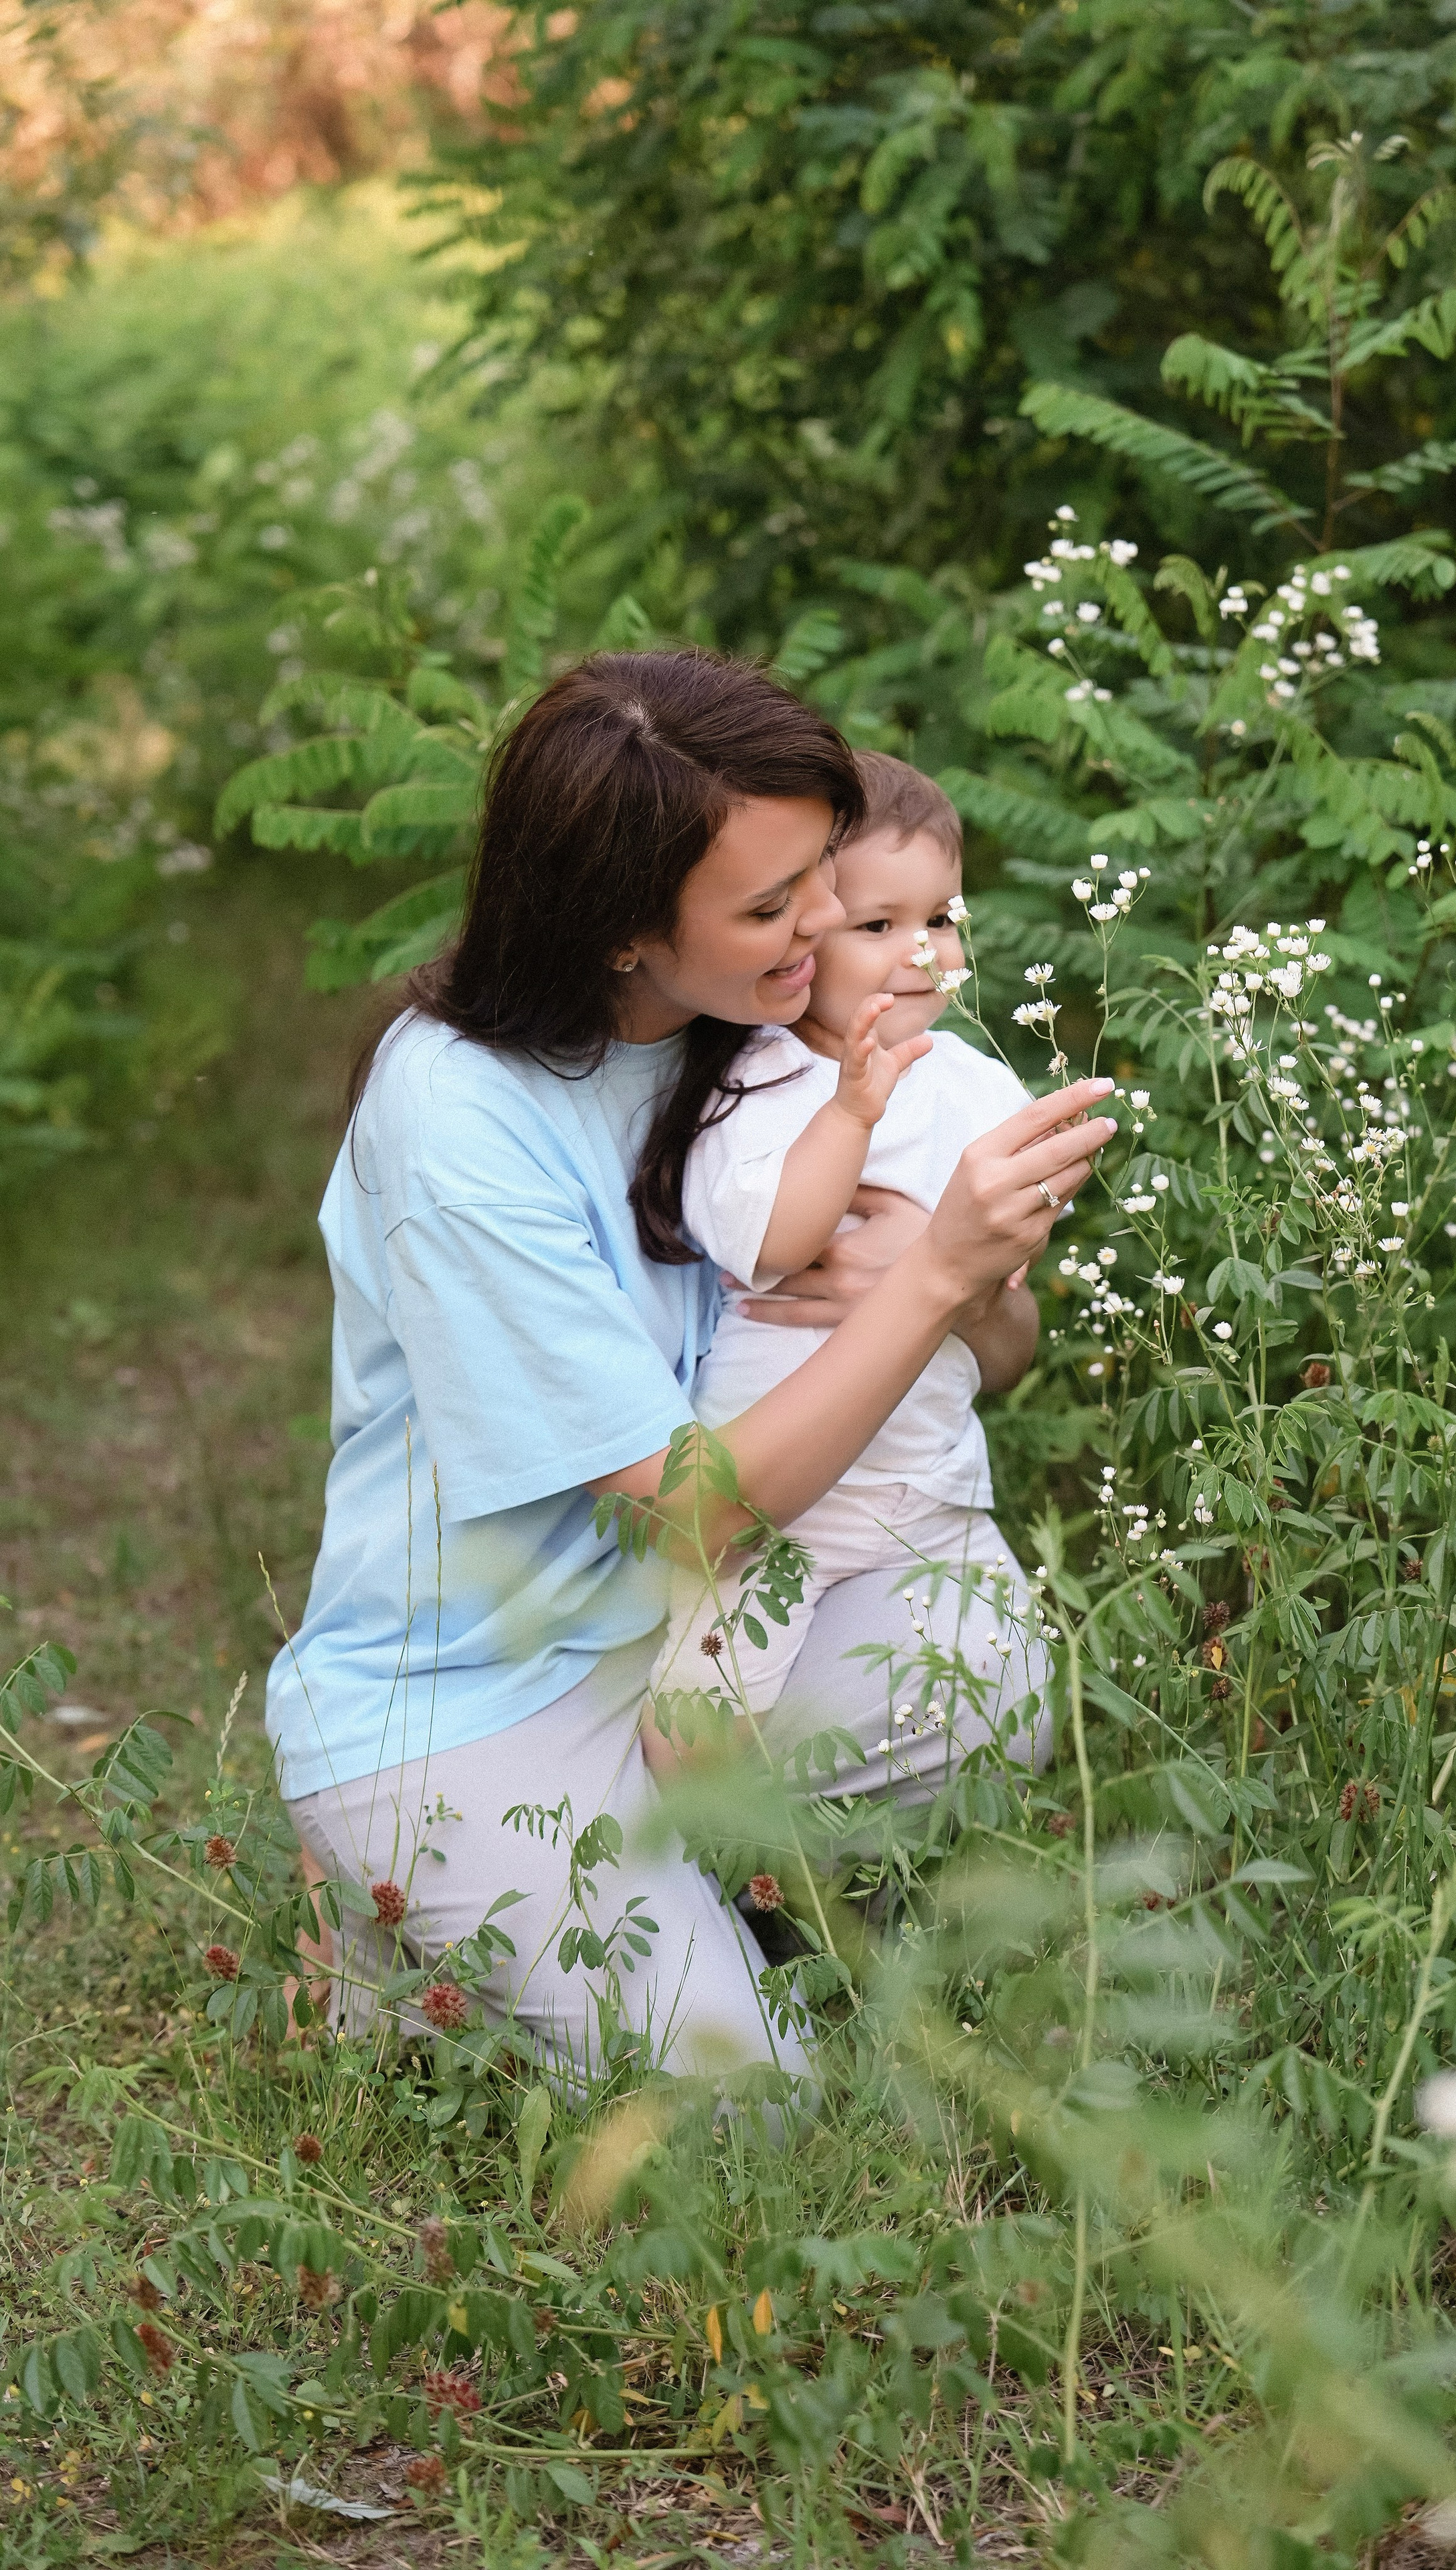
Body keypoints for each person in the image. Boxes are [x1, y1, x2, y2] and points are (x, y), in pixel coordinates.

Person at [268, 649, 1114, 2091]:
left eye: (826, 881)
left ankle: (691, 1885)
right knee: (749, 2119)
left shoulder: (774, 1038)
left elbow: (993, 1357)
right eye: (774, 907)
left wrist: (963, 1298)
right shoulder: (462, 1126)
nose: (833, 929)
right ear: (617, 933)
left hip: (700, 1641)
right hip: (483, 1684)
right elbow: (683, 1512)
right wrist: (925, 1281)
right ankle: (402, 1890)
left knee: (988, 1668)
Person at [646, 754, 1039, 1770]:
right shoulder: (763, 1082)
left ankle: (887, 1899)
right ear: (806, 932)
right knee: (698, 1729)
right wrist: (854, 1111)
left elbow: (1008, 1318)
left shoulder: (980, 1085)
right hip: (776, 1506)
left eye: (942, 917)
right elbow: (773, 1244)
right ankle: (679, 1876)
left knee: (1005, 1699)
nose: (923, 951)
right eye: (878, 926)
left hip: (931, 1480)